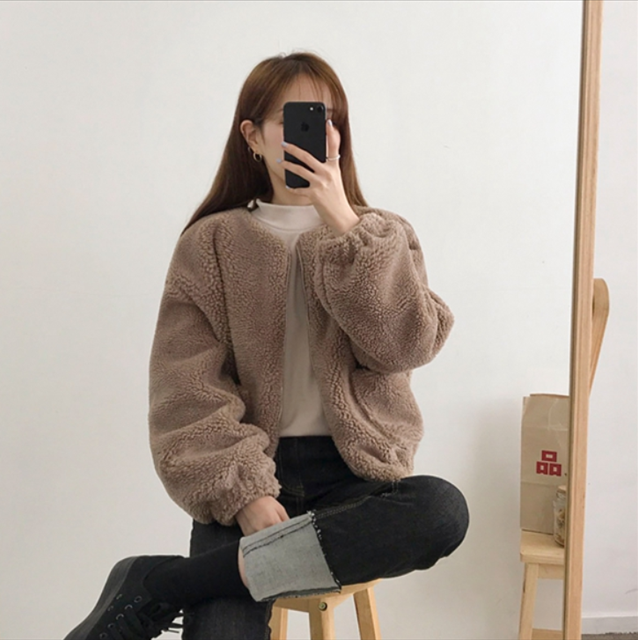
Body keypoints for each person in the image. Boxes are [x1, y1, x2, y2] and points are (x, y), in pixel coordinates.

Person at [64, 51, 469, 640]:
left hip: (354, 480)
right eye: (295, 119)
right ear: (253, 136)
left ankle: (165, 583)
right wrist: (244, 492)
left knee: (442, 511)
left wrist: (346, 226)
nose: (317, 133)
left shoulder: (382, 236)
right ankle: (221, 570)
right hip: (247, 473)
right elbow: (186, 389)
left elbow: (404, 345)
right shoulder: (211, 244)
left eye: (328, 119)